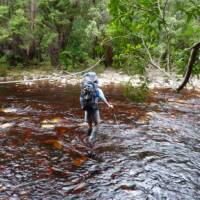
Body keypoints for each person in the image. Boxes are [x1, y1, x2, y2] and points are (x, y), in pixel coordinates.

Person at [80, 72, 113, 144]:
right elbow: (103, 99)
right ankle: (91, 140)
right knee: (97, 123)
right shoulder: (97, 89)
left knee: (90, 125)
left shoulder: (84, 87)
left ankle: (88, 134)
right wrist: (109, 105)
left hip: (86, 108)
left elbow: (82, 99)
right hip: (94, 108)